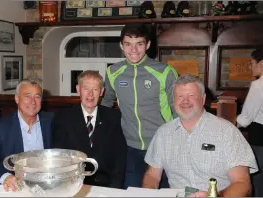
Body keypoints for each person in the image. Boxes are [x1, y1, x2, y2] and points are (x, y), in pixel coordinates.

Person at [142, 74, 258, 197]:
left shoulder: (227, 131)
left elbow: (241, 183)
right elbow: (152, 176)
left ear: (203, 99)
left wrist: (216, 196)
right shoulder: (163, 133)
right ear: (173, 100)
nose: (185, 101)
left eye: (191, 96)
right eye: (180, 96)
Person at [101, 23, 178, 188]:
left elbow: (177, 109)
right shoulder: (113, 72)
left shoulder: (165, 71)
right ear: (121, 45)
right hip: (129, 148)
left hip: (161, 146)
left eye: (139, 44)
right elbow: (106, 103)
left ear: (148, 45)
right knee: (132, 192)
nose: (133, 50)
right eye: (128, 44)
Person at [52, 70, 127, 189]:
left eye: (95, 89)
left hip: (106, 186)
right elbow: (59, 157)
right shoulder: (63, 118)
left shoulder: (114, 118)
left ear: (102, 92)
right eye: (86, 89)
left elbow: (120, 159)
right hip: (74, 185)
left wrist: (114, 189)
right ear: (78, 89)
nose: (90, 95)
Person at [0, 78, 54, 191]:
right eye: (27, 96)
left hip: (48, 187)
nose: (33, 102)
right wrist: (5, 177)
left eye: (37, 97)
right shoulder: (0, 128)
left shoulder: (52, 122)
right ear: (17, 99)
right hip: (16, 189)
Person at [237, 48, 263, 197]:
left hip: (259, 139)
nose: (250, 66)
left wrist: (226, 125)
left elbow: (245, 118)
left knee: (256, 179)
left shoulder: (259, 85)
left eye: (252, 63)